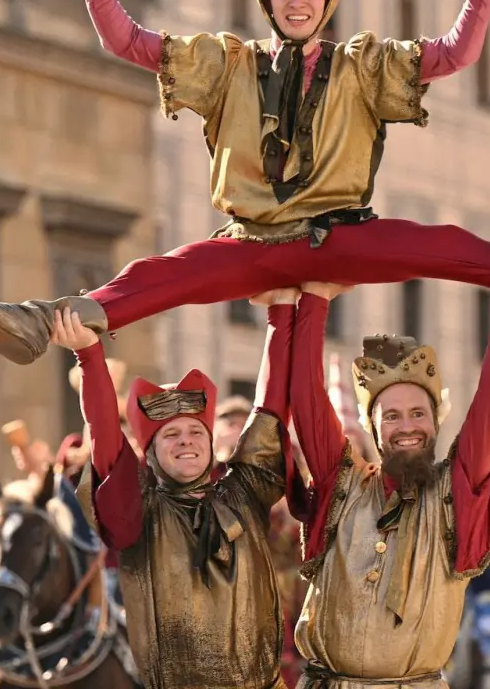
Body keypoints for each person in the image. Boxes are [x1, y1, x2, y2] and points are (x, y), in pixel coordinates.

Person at [0, 0, 490, 367]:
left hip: (339, 235)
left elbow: (456, 53)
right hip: (251, 242)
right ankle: (34, 324)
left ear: (327, 3)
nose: (297, 3)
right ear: (268, 4)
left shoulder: (364, 64)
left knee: (444, 247)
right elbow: (126, 41)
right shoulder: (226, 62)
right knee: (156, 275)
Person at [287, 259, 490, 688]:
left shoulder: (457, 491)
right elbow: (305, 397)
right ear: (373, 428)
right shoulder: (342, 483)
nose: (408, 427)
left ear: (435, 422)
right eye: (391, 416)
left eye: (418, 413)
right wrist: (315, 301)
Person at [61, 286, 304, 689]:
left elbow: (271, 408)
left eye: (195, 430)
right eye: (170, 435)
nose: (186, 440)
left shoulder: (243, 492)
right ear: (150, 453)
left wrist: (281, 313)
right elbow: (106, 441)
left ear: (210, 443)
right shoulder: (138, 514)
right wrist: (89, 355)